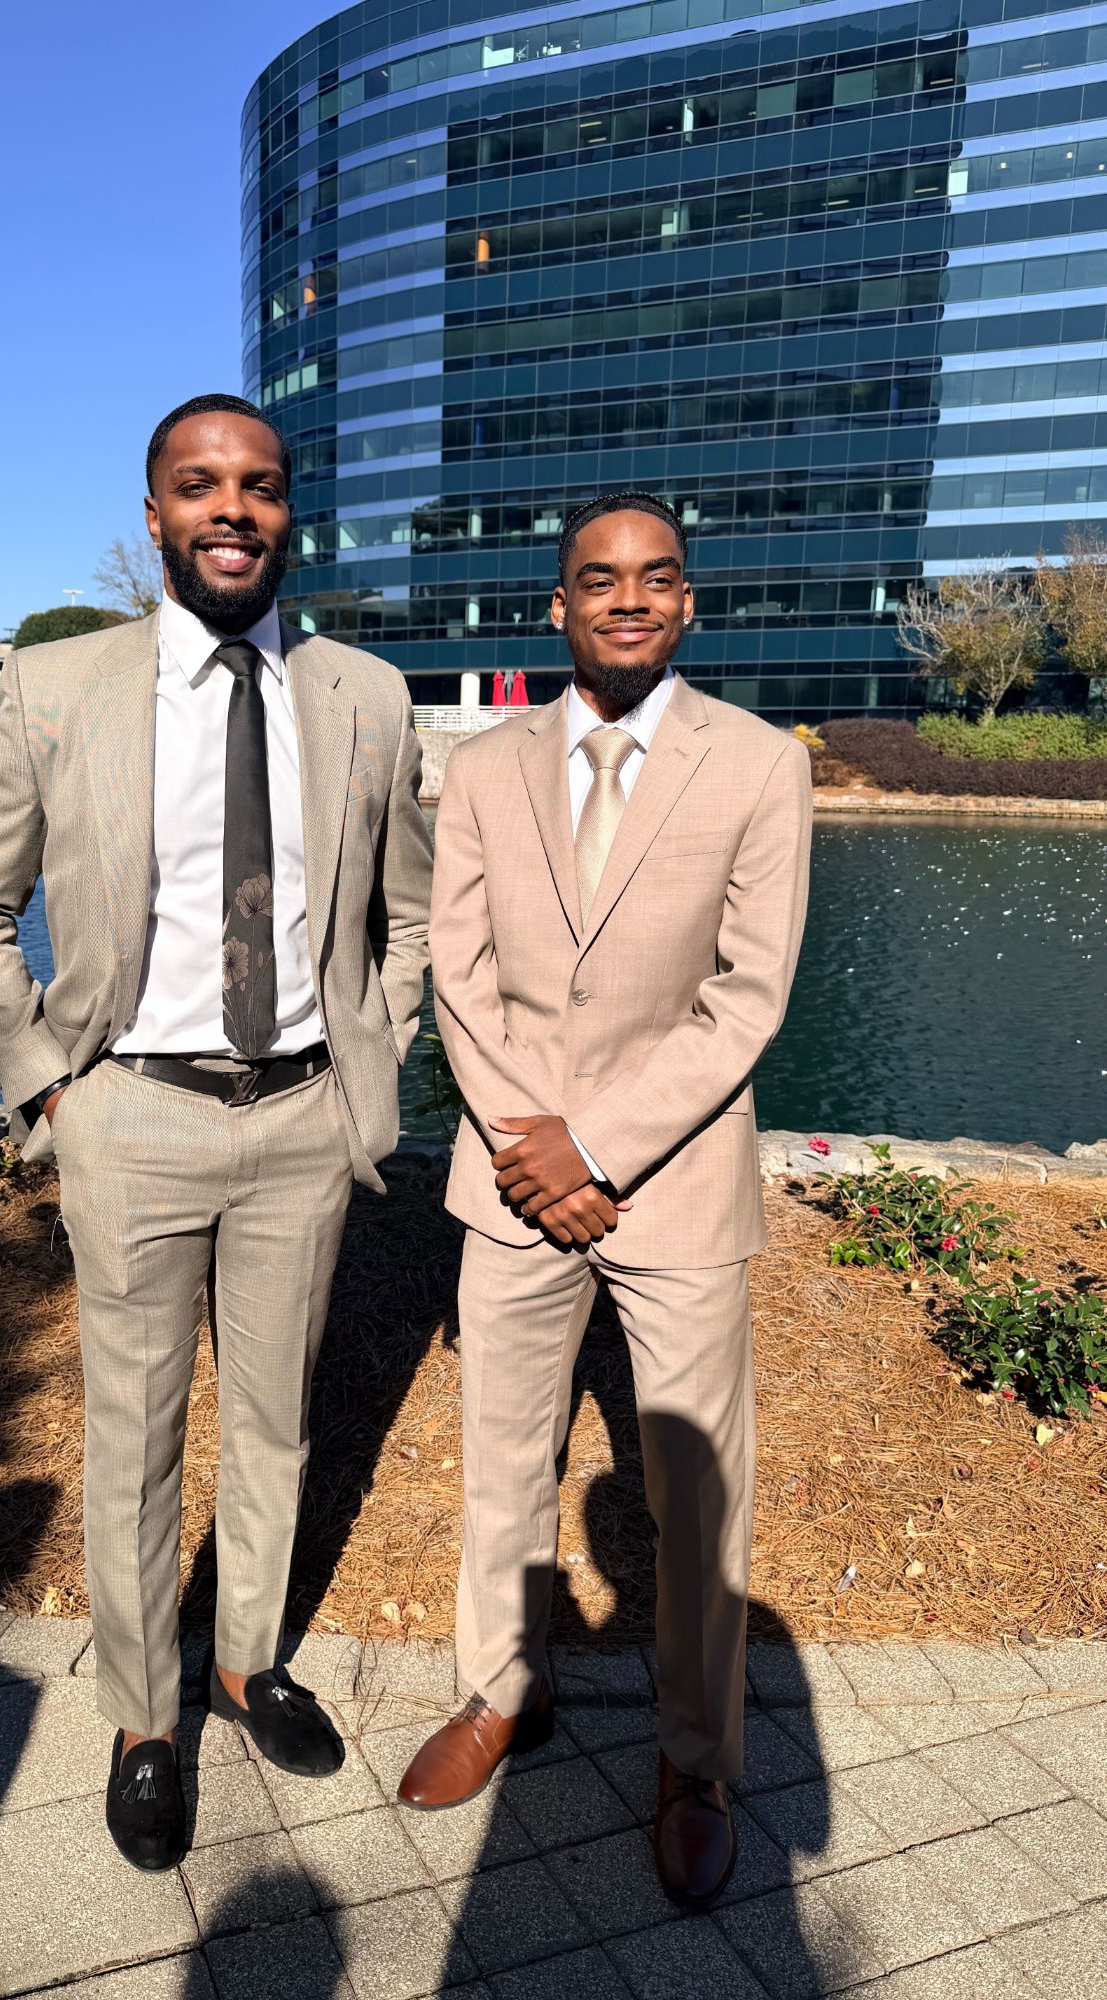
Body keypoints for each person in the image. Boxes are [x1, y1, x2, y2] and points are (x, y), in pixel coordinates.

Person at [0, 392, 431, 1871]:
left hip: (298, 1124)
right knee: (134, 1435)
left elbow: (412, 913)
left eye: (259, 487)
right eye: (200, 485)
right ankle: (149, 1719)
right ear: (154, 514)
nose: (232, 510)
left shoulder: (366, 697)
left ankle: (244, 1659)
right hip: (128, 1115)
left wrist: (365, 1059)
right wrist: (45, 1080)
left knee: (278, 1423)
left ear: (289, 512)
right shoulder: (62, 686)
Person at [398, 492, 811, 1909]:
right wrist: (532, 1147)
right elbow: (459, 975)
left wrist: (599, 1149)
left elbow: (749, 995)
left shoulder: (760, 766)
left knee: (697, 1496)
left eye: (656, 579)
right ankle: (502, 1692)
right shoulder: (487, 767)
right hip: (511, 1179)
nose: (627, 599)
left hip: (677, 1178)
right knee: (503, 1456)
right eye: (598, 579)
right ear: (558, 605)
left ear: (686, 603)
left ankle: (696, 1759)